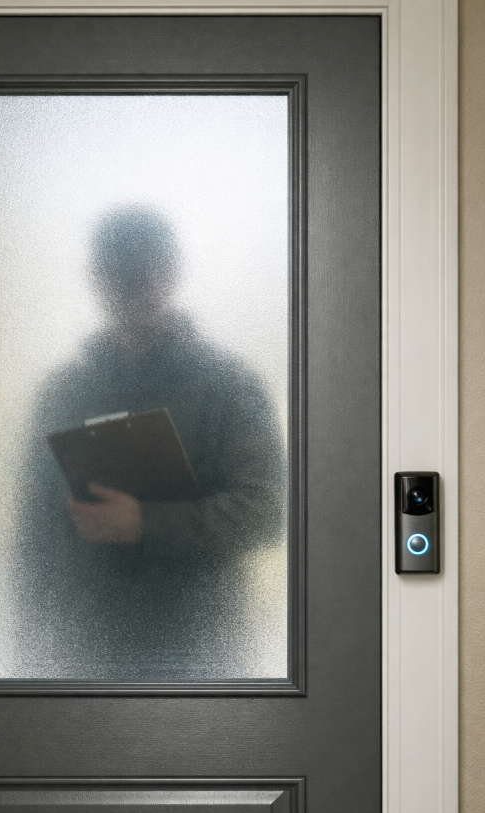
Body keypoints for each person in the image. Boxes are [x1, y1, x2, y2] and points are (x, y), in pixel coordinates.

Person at [20, 205, 286, 680]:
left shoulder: (227, 385)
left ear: (171, 272)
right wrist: (28, 662)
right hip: (83, 657)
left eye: (146, 266)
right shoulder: (62, 392)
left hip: (199, 656)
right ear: (95, 277)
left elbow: (266, 512)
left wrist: (146, 523)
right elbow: (35, 540)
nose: (132, 282)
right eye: (117, 268)